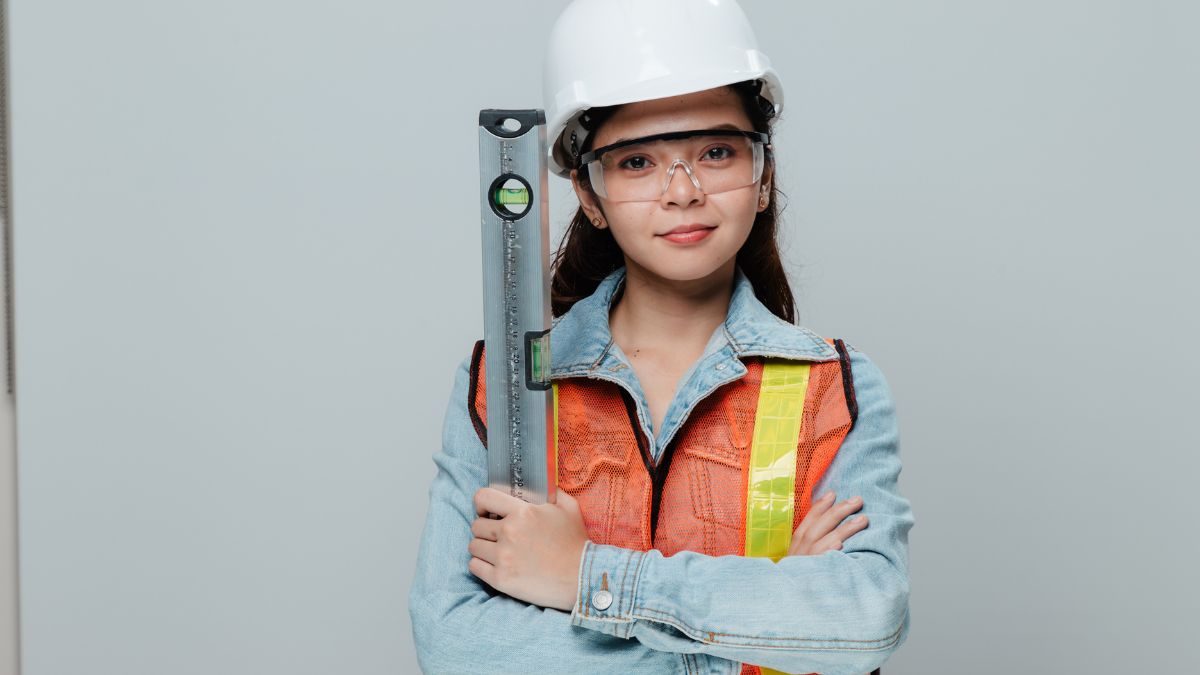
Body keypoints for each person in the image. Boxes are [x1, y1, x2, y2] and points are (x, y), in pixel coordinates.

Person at [408, 1, 914, 673]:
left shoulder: (834, 385)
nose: (684, 191)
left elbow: (864, 617)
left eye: (715, 151)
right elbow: (455, 644)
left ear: (762, 176)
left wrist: (583, 574)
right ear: (590, 196)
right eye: (638, 161)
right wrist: (756, 641)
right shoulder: (498, 387)